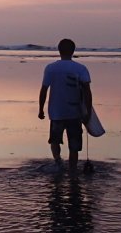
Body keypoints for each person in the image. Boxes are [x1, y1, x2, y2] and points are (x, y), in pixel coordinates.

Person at [37, 38, 93, 175]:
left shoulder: (51, 68)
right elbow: (87, 91)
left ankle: (58, 162)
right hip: (75, 113)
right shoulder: (81, 68)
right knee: (74, 145)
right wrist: (88, 111)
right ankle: (72, 171)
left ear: (59, 50)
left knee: (54, 140)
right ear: (73, 51)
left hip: (56, 112)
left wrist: (41, 109)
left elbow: (44, 89)